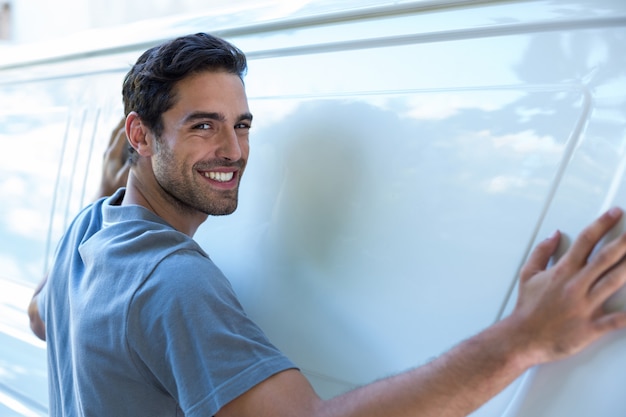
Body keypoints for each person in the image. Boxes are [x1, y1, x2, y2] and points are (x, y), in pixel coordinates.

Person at [28, 32, 626, 417]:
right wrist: (523, 338)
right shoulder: (172, 283)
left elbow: (40, 315)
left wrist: (121, 175)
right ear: (140, 134)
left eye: (242, 125)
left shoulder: (94, 226)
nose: (233, 151)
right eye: (203, 125)